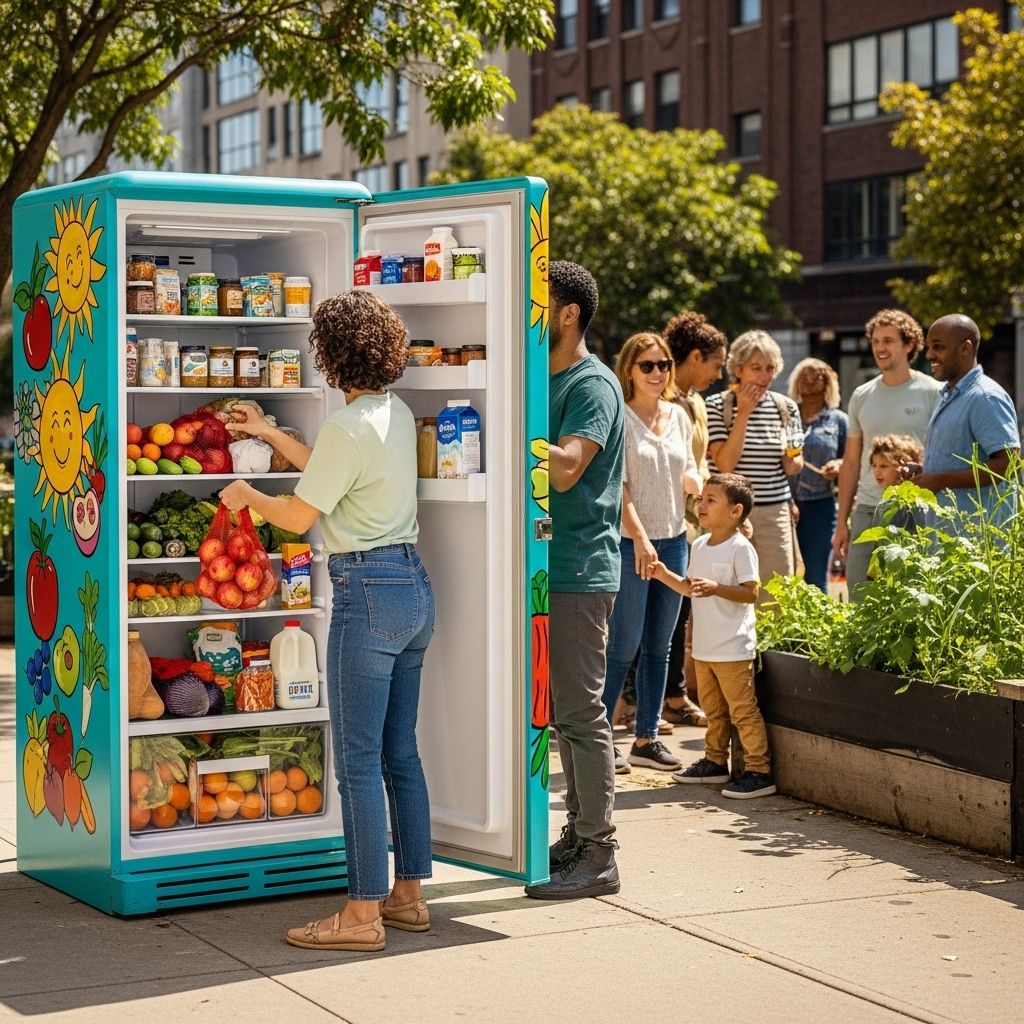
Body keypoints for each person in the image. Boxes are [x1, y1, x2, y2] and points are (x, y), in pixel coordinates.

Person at [218, 290, 435, 952]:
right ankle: (408, 898)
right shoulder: (393, 413)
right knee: (400, 751)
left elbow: (298, 515)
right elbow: (325, 466)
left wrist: (248, 493)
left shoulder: (347, 427)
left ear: (330, 356)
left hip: (366, 592)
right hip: (414, 588)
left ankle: (361, 916)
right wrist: (265, 433)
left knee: (358, 762)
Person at [525, 260, 624, 901]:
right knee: (559, 713)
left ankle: (600, 851)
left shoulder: (592, 385)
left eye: (543, 305)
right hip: (543, 568)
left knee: (582, 712)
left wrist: (521, 436)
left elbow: (565, 472)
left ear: (568, 314)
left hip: (581, 569)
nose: (531, 315)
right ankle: (578, 832)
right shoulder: (543, 376)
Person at [601, 333, 702, 773]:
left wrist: (698, 487)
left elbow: (691, 466)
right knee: (624, 646)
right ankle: (599, 739)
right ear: (629, 370)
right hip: (630, 544)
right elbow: (617, 489)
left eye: (663, 364)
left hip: (675, 539)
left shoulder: (679, 416)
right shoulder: (619, 417)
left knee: (660, 647)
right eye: (647, 365)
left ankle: (647, 738)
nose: (657, 372)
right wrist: (640, 540)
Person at [651, 473, 777, 799]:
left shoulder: (741, 549)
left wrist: (718, 588)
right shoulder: (700, 545)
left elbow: (751, 593)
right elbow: (690, 588)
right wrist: (663, 574)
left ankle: (759, 771)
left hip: (733, 649)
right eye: (701, 498)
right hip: (706, 649)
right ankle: (715, 762)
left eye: (711, 500)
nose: (701, 504)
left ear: (736, 511)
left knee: (742, 712)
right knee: (714, 712)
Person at [832, 310, 941, 599]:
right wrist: (842, 522)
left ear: (909, 345)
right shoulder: (861, 395)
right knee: (860, 594)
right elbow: (852, 462)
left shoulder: (934, 392)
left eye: (889, 341)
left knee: (911, 596)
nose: (880, 348)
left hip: (916, 509)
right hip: (869, 508)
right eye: (876, 341)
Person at [661, 311, 728, 727]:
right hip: (663, 518)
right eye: (716, 365)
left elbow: (699, 461)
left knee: (680, 613)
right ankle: (643, 700)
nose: (719, 375)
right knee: (661, 615)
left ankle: (673, 696)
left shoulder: (698, 403)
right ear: (697, 356)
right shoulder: (660, 398)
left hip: (693, 520)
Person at [705, 330, 803, 589]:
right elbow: (725, 465)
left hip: (774, 512)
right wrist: (744, 413)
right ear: (738, 369)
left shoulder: (787, 407)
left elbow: (794, 465)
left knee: (777, 592)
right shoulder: (716, 405)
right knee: (727, 587)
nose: (764, 377)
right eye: (756, 368)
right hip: (729, 512)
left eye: (770, 368)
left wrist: (793, 454)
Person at [906, 314, 1020, 525]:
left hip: (976, 543)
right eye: (929, 347)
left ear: (965, 348)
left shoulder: (985, 397)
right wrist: (926, 473)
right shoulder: (950, 395)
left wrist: (940, 480)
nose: (929, 355)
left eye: (938, 347)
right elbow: (959, 461)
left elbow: (1008, 465)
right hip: (947, 537)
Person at [787, 359, 847, 592]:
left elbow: (850, 460)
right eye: (804, 377)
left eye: (817, 377)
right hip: (785, 503)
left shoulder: (839, 420)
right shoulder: (786, 416)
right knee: (784, 572)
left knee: (814, 574)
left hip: (820, 507)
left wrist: (839, 464)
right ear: (796, 384)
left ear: (828, 384)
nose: (810, 383)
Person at [868, 434, 925, 532]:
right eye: (874, 465)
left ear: (904, 467)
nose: (877, 471)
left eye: (883, 466)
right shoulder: (886, 500)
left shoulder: (915, 503)